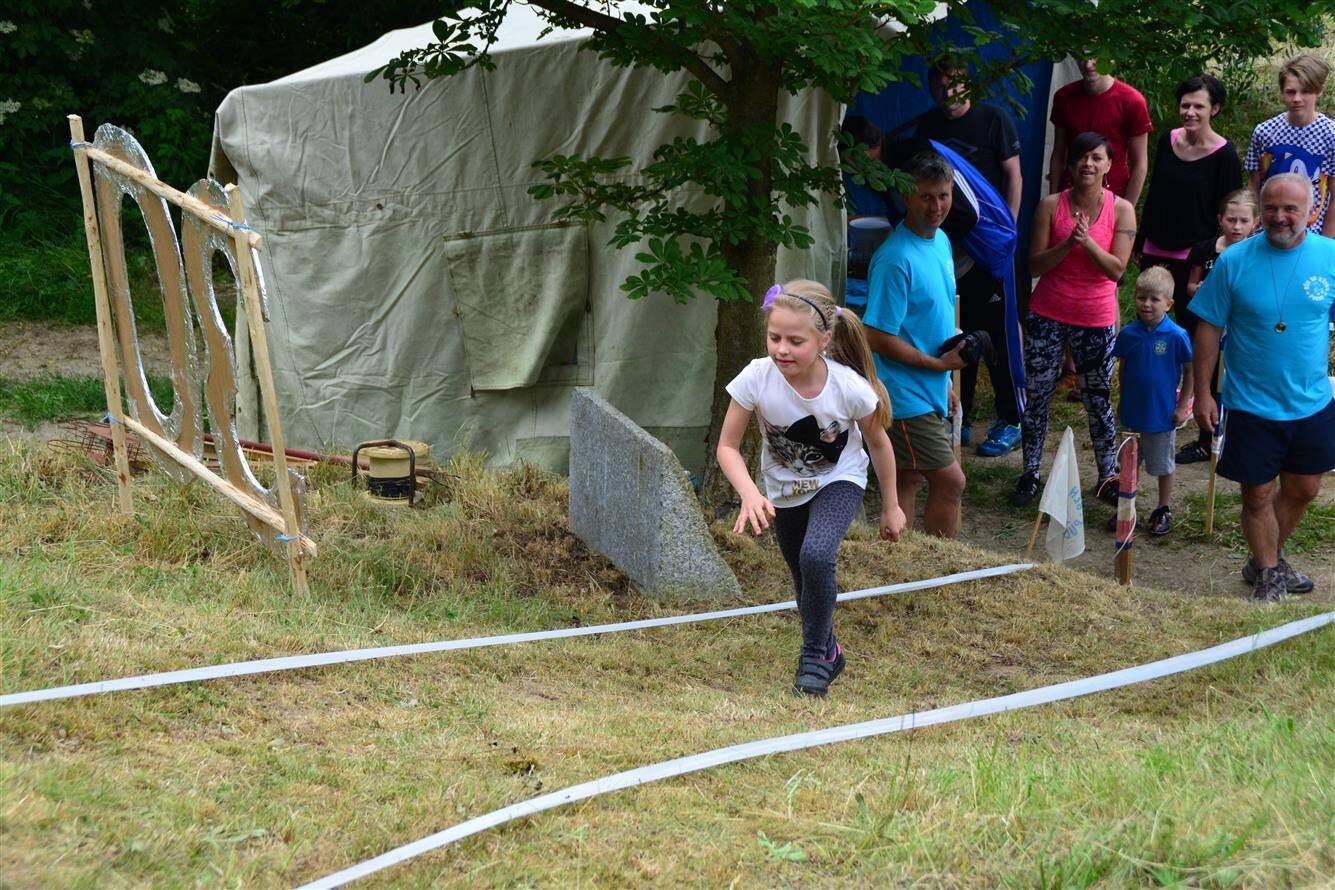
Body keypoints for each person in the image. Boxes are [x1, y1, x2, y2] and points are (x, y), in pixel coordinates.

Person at [717, 280, 906, 696]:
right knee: (803, 577)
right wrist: (749, 492)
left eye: (795, 341)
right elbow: (727, 446)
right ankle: (830, 649)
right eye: (774, 338)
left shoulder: (848, 386)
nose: (782, 349)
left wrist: (891, 506)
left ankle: (814, 657)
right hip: (784, 490)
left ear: (824, 340)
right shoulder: (756, 377)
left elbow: (878, 443)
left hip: (840, 480)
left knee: (816, 555)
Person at [1190, 172, 1335, 602]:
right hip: (1250, 401)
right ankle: (1269, 571)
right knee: (1257, 494)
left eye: (1291, 208)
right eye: (1271, 208)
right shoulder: (1234, 261)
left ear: (1311, 211)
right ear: (1260, 212)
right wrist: (1202, 393)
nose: (1280, 216)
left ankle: (1262, 557)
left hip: (1311, 400)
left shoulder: (1329, 256)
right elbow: (1208, 327)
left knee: (1305, 488)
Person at [1014, 132, 1136, 507]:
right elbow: (1034, 265)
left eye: (1097, 157)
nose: (1088, 164)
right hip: (1048, 313)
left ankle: (1107, 476)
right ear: (1069, 164)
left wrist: (1087, 242)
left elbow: (1116, 270)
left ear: (1109, 165)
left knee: (1097, 399)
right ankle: (1030, 473)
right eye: (1081, 157)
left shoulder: (1121, 210)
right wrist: (1067, 244)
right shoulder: (1051, 206)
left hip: (1096, 318)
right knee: (1038, 396)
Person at [916, 64, 1025, 457]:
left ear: (970, 84)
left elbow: (1014, 176)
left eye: (956, 83)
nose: (949, 92)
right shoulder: (927, 126)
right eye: (940, 85)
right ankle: (961, 414)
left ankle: (1012, 418)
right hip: (949, 246)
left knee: (997, 331)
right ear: (931, 88)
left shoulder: (994, 119)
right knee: (957, 328)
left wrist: (1006, 231)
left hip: (990, 244)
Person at [862, 151, 969, 538]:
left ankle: (901, 555)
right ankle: (943, 560)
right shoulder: (895, 259)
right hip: (903, 397)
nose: (936, 206)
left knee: (908, 478)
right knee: (951, 482)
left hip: (929, 388)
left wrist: (946, 383)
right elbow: (876, 335)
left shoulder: (941, 242)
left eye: (943, 195)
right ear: (906, 194)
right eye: (926, 196)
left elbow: (935, 320)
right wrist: (936, 367)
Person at [1137, 75, 1243, 305]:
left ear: (1214, 109)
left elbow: (1231, 212)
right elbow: (1154, 194)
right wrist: (1139, 240)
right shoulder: (1167, 140)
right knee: (1149, 318)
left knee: (1190, 321)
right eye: (1185, 105)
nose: (1190, 112)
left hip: (1194, 256)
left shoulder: (1225, 156)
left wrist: (1215, 255)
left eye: (1199, 106)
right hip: (1154, 247)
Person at [1175, 190, 1259, 464]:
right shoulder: (1204, 249)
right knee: (1209, 380)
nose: (1237, 227)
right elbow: (1189, 285)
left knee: (1236, 381)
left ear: (1255, 223)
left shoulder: (1257, 252)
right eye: (1231, 220)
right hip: (1209, 326)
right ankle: (1206, 440)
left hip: (1241, 330)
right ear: (1220, 219)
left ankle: (1237, 438)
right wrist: (1200, 290)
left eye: (1244, 221)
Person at [1110, 267, 1193, 536]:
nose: (1146, 304)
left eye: (1154, 299)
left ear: (1168, 304)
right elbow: (1123, 368)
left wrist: (1182, 406)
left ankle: (1162, 508)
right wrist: (1121, 399)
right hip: (1132, 412)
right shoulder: (1128, 334)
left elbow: (1190, 370)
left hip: (1161, 415)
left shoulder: (1177, 336)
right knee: (1128, 463)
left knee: (1163, 465)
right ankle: (1126, 507)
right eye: (1141, 297)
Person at [1245, 54, 1335, 237]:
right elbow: (1254, 186)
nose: (1297, 98)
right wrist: (1250, 231)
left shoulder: (1331, 135)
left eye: (1305, 91)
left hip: (1311, 234)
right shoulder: (1265, 132)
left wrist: (1325, 244)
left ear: (1319, 91)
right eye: (1291, 92)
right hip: (1267, 232)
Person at [1048, 58, 1153, 204]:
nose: (1088, 64)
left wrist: (1126, 210)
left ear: (1111, 58)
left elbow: (1140, 164)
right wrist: (1054, 202)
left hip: (1113, 199)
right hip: (1070, 196)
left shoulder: (1132, 101)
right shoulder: (1064, 96)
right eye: (1083, 58)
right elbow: (1058, 155)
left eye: (1096, 57)